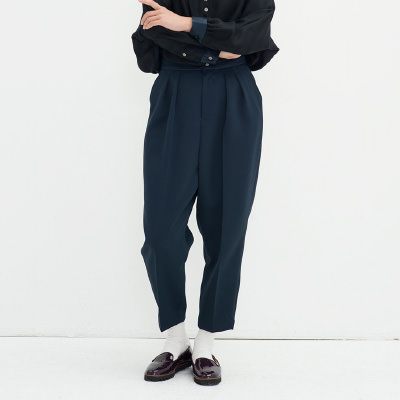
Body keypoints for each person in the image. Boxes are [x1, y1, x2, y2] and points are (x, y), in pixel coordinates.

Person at [131, 0, 279, 385]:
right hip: (174, 95)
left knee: (226, 228)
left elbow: (254, 38)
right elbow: (150, 47)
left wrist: (186, 25)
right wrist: (221, 43)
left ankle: (206, 344)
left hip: (234, 96)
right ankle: (175, 340)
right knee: (161, 231)